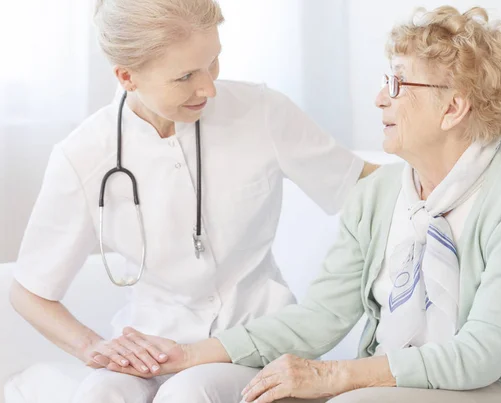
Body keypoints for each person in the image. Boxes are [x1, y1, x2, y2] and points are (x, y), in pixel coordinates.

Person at [105, 6, 501, 403]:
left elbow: (485, 352)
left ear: (452, 108)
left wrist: (337, 376)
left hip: (498, 386)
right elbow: (320, 318)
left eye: (397, 84)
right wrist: (189, 355)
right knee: (209, 393)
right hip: (393, 381)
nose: (379, 99)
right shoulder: (378, 196)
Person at [8, 0, 379, 402]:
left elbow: (365, 186)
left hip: (254, 343)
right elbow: (29, 290)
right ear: (126, 76)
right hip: (153, 345)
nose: (209, 88)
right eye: (185, 76)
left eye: (213, 62)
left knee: (189, 393)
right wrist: (91, 346)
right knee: (101, 394)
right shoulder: (83, 156)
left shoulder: (261, 112)